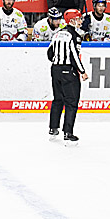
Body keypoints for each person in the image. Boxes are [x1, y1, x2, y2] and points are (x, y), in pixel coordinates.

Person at [47, 8, 87, 145]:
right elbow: (74, 56)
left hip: (55, 70)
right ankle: (68, 133)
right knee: (71, 102)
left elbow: (49, 54)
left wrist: (57, 64)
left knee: (58, 99)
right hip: (69, 71)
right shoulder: (75, 36)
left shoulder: (57, 34)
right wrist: (82, 71)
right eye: (78, 19)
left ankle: (53, 128)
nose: (81, 21)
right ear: (72, 20)